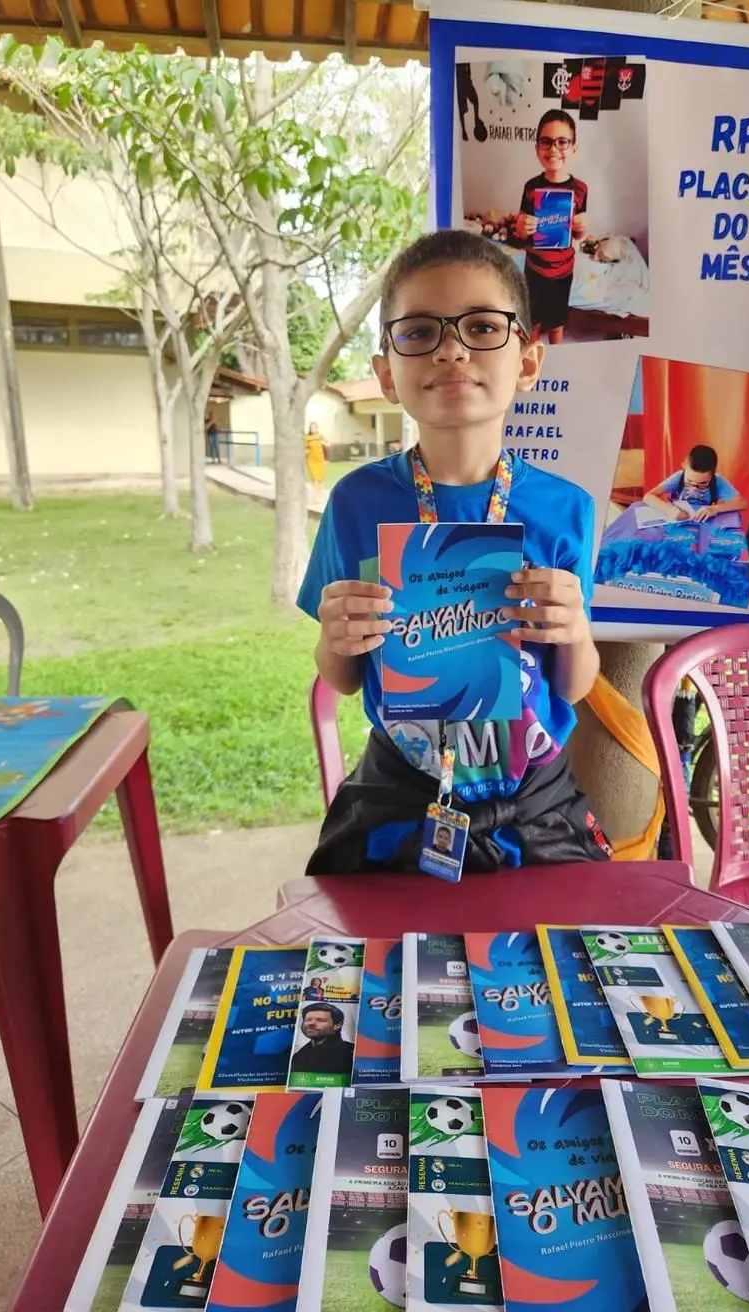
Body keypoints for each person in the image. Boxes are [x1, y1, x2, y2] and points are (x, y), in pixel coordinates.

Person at [297, 228, 612, 875]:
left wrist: (574, 632)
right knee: (382, 969)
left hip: (537, 803)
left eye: (481, 327)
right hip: (401, 795)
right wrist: (339, 638)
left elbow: (573, 687)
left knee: (563, 966)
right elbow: (344, 678)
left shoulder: (565, 508)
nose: (450, 351)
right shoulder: (358, 503)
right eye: (419, 332)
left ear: (526, 362)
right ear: (387, 372)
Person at [513, 110, 589, 346]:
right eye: (546, 141)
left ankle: (559, 359)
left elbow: (577, 235)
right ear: (537, 148)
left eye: (563, 142)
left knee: (557, 324)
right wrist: (520, 226)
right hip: (534, 270)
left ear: (574, 148)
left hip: (563, 271)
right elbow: (520, 232)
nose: (553, 149)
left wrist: (582, 228)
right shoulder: (530, 187)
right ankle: (531, 361)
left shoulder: (581, 190)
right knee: (532, 323)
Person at [642, 443, 749, 524]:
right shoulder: (679, 477)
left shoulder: (718, 482)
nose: (694, 487)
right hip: (679, 522)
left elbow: (743, 503)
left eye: (702, 484)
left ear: (713, 473)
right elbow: (648, 496)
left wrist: (714, 509)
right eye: (689, 482)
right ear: (684, 466)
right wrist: (669, 510)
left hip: (704, 524)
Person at [291, 1003, 355, 1076]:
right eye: (308, 1020)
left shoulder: (350, 1052)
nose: (311, 1023)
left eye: (321, 1020)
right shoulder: (298, 1056)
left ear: (337, 1025)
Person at [305, 421, 328, 490]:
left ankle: (320, 494)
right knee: (315, 479)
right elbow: (306, 449)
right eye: (312, 428)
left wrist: (327, 459)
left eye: (315, 428)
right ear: (310, 429)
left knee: (321, 479)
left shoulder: (321, 437)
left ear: (317, 428)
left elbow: (327, 447)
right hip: (311, 460)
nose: (313, 429)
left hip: (321, 460)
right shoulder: (307, 438)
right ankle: (315, 496)